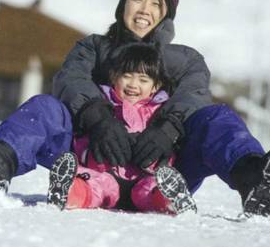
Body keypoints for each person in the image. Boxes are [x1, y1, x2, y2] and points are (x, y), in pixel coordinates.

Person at [0, 0, 270, 216]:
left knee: (218, 117)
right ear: (123, 4)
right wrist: (97, 116)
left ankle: (252, 178)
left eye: (157, 3)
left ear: (165, 15)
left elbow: (194, 96)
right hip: (90, 162)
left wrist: (168, 129)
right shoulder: (93, 47)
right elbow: (71, 79)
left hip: (164, 171)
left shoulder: (185, 60)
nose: (145, 8)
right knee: (44, 107)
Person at [47, 42, 197, 215]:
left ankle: (171, 200)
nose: (133, 84)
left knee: (152, 188)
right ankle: (69, 193)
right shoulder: (101, 107)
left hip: (144, 177)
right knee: (93, 185)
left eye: (143, 80)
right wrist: (91, 150)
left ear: (155, 86)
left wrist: (153, 158)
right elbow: (82, 140)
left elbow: (167, 149)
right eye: (127, 76)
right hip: (105, 173)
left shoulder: (160, 114)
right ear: (114, 77)